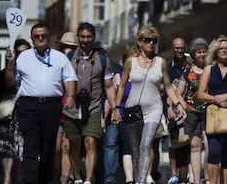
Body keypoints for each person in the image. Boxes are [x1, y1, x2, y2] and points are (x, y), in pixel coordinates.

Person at [111, 26, 186, 184]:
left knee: (146, 144)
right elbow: (122, 86)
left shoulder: (161, 63)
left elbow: (167, 86)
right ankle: (139, 176)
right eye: (147, 40)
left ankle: (140, 181)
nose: (151, 43)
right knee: (135, 149)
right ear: (140, 42)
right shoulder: (130, 62)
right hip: (132, 109)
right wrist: (117, 108)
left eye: (154, 40)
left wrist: (178, 104)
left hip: (153, 109)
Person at [4, 23, 77, 184]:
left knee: (48, 147)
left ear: (48, 36)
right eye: (37, 36)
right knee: (30, 146)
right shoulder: (23, 57)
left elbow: (69, 78)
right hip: (29, 106)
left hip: (52, 106)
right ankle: (29, 181)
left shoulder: (60, 57)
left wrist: (71, 96)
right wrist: (9, 63)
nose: (41, 38)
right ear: (32, 39)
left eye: (43, 35)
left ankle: (46, 180)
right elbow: (10, 82)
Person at [63, 22, 116, 184]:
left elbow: (108, 86)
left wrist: (115, 108)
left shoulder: (102, 60)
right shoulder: (69, 58)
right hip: (72, 108)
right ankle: (78, 178)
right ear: (78, 37)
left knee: (90, 142)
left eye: (89, 37)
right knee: (74, 145)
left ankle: (87, 180)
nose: (85, 40)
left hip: (93, 107)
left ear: (93, 38)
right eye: (82, 37)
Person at [196, 35, 227, 184]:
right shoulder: (209, 69)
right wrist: (216, 99)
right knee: (214, 150)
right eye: (221, 48)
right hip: (213, 115)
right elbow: (200, 93)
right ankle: (212, 182)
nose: (224, 51)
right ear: (215, 51)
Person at [0, 38, 30, 184]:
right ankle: (7, 179)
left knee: (20, 152)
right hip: (8, 116)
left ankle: (15, 178)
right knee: (8, 150)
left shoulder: (33, 73)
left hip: (26, 115)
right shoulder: (6, 72)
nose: (22, 55)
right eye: (19, 52)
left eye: (26, 52)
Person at [176, 37, 209, 184]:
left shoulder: (211, 69)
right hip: (192, 111)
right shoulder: (188, 72)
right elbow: (179, 93)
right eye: (199, 52)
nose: (202, 55)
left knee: (209, 146)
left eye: (204, 52)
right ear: (194, 54)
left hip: (210, 111)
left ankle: (208, 178)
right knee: (195, 146)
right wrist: (183, 106)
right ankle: (196, 180)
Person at [103, 45, 137, 184]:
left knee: (140, 147)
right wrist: (105, 117)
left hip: (141, 117)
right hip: (122, 116)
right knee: (122, 145)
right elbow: (110, 98)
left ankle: (141, 176)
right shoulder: (119, 77)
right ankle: (123, 178)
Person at [55, 32, 78, 184]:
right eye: (65, 47)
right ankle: (55, 173)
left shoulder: (79, 64)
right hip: (57, 110)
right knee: (56, 148)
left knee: (66, 147)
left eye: (71, 47)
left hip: (72, 111)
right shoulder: (56, 62)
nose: (67, 50)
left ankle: (65, 177)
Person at [167, 37, 189, 184]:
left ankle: (185, 174)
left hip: (190, 106)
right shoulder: (168, 67)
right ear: (173, 49)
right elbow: (167, 88)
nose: (179, 50)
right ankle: (174, 174)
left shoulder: (190, 64)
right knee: (174, 141)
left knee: (188, 141)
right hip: (173, 108)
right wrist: (169, 108)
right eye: (177, 48)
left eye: (181, 47)